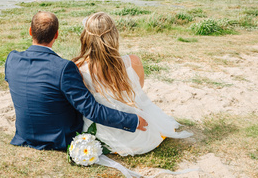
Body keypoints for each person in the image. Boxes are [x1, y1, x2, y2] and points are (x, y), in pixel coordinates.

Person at [4, 11, 148, 151]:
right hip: (57, 140)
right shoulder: (63, 68)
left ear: (30, 31)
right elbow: (91, 109)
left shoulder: (12, 59)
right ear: (56, 35)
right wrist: (132, 121)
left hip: (23, 136)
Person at [72, 12, 193, 156]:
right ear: (114, 36)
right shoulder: (133, 61)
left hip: (104, 132)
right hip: (140, 129)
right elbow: (138, 87)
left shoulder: (78, 69)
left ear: (87, 37)